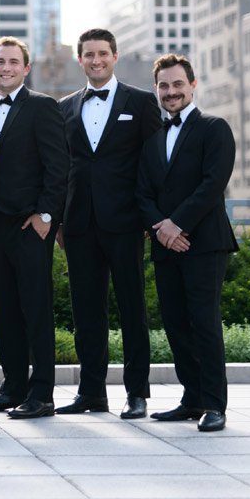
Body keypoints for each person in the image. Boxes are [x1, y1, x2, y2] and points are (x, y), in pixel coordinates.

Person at [56, 29, 161, 420]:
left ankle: (137, 394)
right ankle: (91, 392)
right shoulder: (64, 107)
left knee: (133, 311)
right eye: (88, 54)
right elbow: (62, 168)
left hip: (126, 221)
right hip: (80, 224)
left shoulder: (142, 102)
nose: (96, 60)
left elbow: (154, 165)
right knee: (86, 312)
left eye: (102, 53)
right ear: (79, 60)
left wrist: (153, 218)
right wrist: (61, 219)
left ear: (115, 56)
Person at [137, 54, 237, 433]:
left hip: (205, 243)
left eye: (178, 84)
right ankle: (191, 398)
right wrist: (162, 228)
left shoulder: (215, 128)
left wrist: (176, 224)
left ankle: (214, 403)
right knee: (176, 324)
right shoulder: (152, 141)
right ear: (157, 90)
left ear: (193, 85)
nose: (171, 91)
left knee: (204, 323)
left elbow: (212, 185)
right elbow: (142, 192)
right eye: (164, 86)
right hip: (166, 245)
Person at [0, 36, 68, 420]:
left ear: (26, 68)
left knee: (35, 309)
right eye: (0, 61)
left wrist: (47, 216)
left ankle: (42, 393)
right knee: (5, 311)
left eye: (14, 61)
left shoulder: (43, 107)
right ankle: (12, 387)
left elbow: (59, 165)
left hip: (30, 225)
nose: (7, 67)